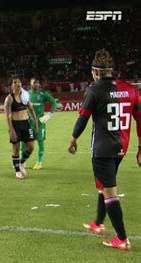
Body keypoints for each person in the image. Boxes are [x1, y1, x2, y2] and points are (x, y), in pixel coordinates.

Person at [68, 49, 141, 251]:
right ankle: (98, 224)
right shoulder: (130, 90)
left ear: (95, 71)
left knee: (109, 192)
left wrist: (73, 139)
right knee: (104, 185)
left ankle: (122, 239)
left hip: (102, 149)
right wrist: (140, 147)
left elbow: (82, 118)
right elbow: (140, 119)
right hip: (121, 147)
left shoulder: (94, 90)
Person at [3, 76, 38, 179]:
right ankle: (17, 170)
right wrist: (11, 130)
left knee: (31, 147)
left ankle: (21, 162)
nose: (18, 83)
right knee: (16, 148)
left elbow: (31, 108)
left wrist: (35, 122)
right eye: (15, 82)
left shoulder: (25, 96)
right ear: (11, 86)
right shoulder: (9, 99)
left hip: (26, 124)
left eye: (19, 82)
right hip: (15, 125)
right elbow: (8, 117)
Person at [20, 77, 57, 170]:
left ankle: (39, 162)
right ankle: (22, 162)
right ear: (30, 84)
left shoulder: (43, 94)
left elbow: (54, 103)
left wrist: (48, 115)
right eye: (34, 83)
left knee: (40, 143)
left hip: (40, 123)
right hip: (28, 122)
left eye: (37, 83)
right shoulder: (26, 94)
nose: (36, 84)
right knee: (24, 142)